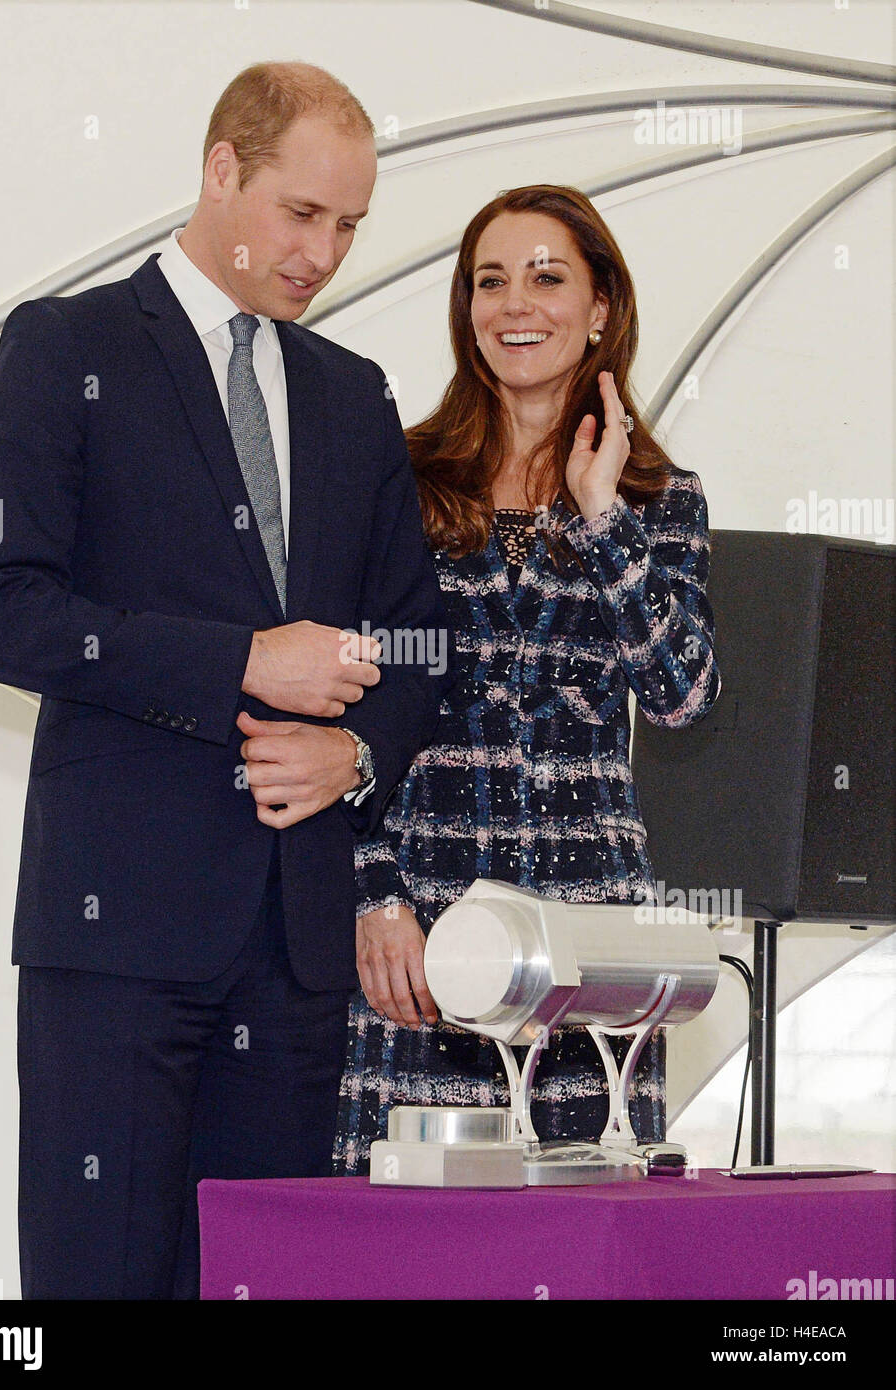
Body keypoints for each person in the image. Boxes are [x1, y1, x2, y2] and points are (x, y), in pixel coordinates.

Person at [0, 61, 453, 1298]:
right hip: (115, 935)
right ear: (222, 168)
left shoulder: (355, 395)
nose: (322, 253)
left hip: (293, 947)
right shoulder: (62, 345)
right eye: (301, 213)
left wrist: (359, 750)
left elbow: (422, 643)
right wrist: (241, 660)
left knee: (262, 1283)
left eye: (349, 226)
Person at [332, 184, 721, 1175]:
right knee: (409, 1255)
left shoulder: (657, 499)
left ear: (601, 308)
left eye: (548, 277)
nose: (518, 305)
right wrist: (374, 893)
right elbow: (345, 703)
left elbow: (683, 691)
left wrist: (601, 515)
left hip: (593, 951)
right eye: (491, 281)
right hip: (428, 938)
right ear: (466, 311)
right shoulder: (404, 482)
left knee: (578, 1244)